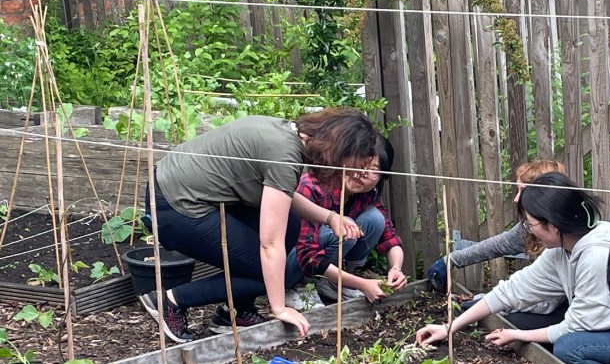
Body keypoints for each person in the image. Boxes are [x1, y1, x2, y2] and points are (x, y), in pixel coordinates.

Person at [416, 171, 610, 364]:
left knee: (570, 349)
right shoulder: (563, 249)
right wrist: (450, 327)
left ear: (553, 225)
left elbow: (575, 328)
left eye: (530, 223)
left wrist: (520, 335)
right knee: (556, 339)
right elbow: (512, 290)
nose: (528, 229)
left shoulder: (596, 255)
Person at [141, 108, 382, 342]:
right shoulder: (285, 156)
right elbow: (269, 244)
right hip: (175, 207)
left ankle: (235, 310)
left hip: (187, 192)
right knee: (267, 271)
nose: (350, 173)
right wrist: (279, 308)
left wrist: (330, 217)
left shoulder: (286, 135)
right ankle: (171, 301)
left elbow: (282, 195)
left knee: (290, 225)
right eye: (351, 165)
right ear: (338, 151)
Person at [426, 160, 566, 324]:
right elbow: (499, 245)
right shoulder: (530, 225)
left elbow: (546, 304)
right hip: (548, 306)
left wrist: (493, 305)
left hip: (567, 312)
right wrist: (451, 260)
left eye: (522, 191)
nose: (516, 199)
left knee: (510, 324)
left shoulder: (563, 236)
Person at [293, 134, 407, 304]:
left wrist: (396, 269)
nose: (362, 173)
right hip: (291, 262)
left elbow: (390, 238)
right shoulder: (313, 186)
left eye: (373, 170)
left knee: (375, 219)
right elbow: (306, 255)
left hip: (321, 263)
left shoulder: (368, 195)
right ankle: (300, 287)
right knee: (343, 226)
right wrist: (362, 284)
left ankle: (335, 282)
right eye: (360, 164)